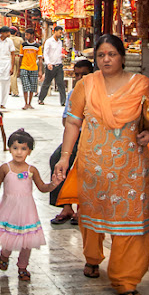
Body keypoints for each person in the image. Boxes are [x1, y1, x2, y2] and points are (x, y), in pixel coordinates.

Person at [55, 34, 149, 295]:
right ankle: (93, 259)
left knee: (131, 224)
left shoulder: (141, 85)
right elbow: (73, 122)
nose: (106, 59)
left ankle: (126, 280)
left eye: (111, 54)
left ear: (122, 57)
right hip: (93, 165)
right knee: (92, 215)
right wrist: (64, 157)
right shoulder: (87, 84)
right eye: (101, 55)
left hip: (131, 168)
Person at [0, 129, 60, 280]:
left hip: (27, 212)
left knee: (27, 241)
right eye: (15, 148)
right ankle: (5, 255)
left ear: (29, 151)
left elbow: (43, 188)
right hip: (9, 210)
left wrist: (54, 184)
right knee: (9, 238)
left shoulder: (32, 170)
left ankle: (23, 267)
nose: (19, 152)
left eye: (23, 149)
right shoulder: (5, 168)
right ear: (9, 148)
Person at [49, 59, 93, 224]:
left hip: (95, 138)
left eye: (84, 74)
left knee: (85, 166)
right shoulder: (72, 94)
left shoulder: (99, 92)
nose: (80, 78)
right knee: (56, 160)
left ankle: (83, 208)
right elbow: (66, 121)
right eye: (77, 75)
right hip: (76, 136)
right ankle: (66, 206)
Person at [38, 25, 66, 106]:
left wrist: (61, 55)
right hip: (50, 66)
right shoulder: (49, 41)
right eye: (60, 33)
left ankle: (63, 101)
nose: (61, 34)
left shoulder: (60, 42)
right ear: (55, 31)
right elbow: (45, 54)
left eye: (61, 33)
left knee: (61, 83)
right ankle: (41, 99)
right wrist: (48, 63)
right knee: (47, 83)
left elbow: (57, 53)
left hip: (59, 65)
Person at [0, 26, 15, 110]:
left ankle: (3, 103)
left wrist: (12, 66)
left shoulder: (10, 41)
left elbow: (13, 54)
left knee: (5, 83)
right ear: (2, 33)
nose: (9, 34)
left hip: (6, 63)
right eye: (7, 32)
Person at [19, 29, 43, 110]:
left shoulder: (37, 46)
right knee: (25, 86)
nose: (26, 36)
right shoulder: (23, 45)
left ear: (32, 35)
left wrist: (40, 70)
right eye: (25, 35)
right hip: (24, 67)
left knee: (33, 86)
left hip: (34, 68)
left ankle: (30, 103)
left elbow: (40, 59)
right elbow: (21, 57)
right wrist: (19, 68)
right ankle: (25, 103)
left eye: (27, 35)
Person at [9, 27, 23, 97]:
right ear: (16, 32)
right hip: (18, 57)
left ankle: (11, 90)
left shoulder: (8, 39)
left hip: (10, 57)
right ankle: (15, 92)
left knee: (12, 74)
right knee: (15, 74)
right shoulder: (20, 39)